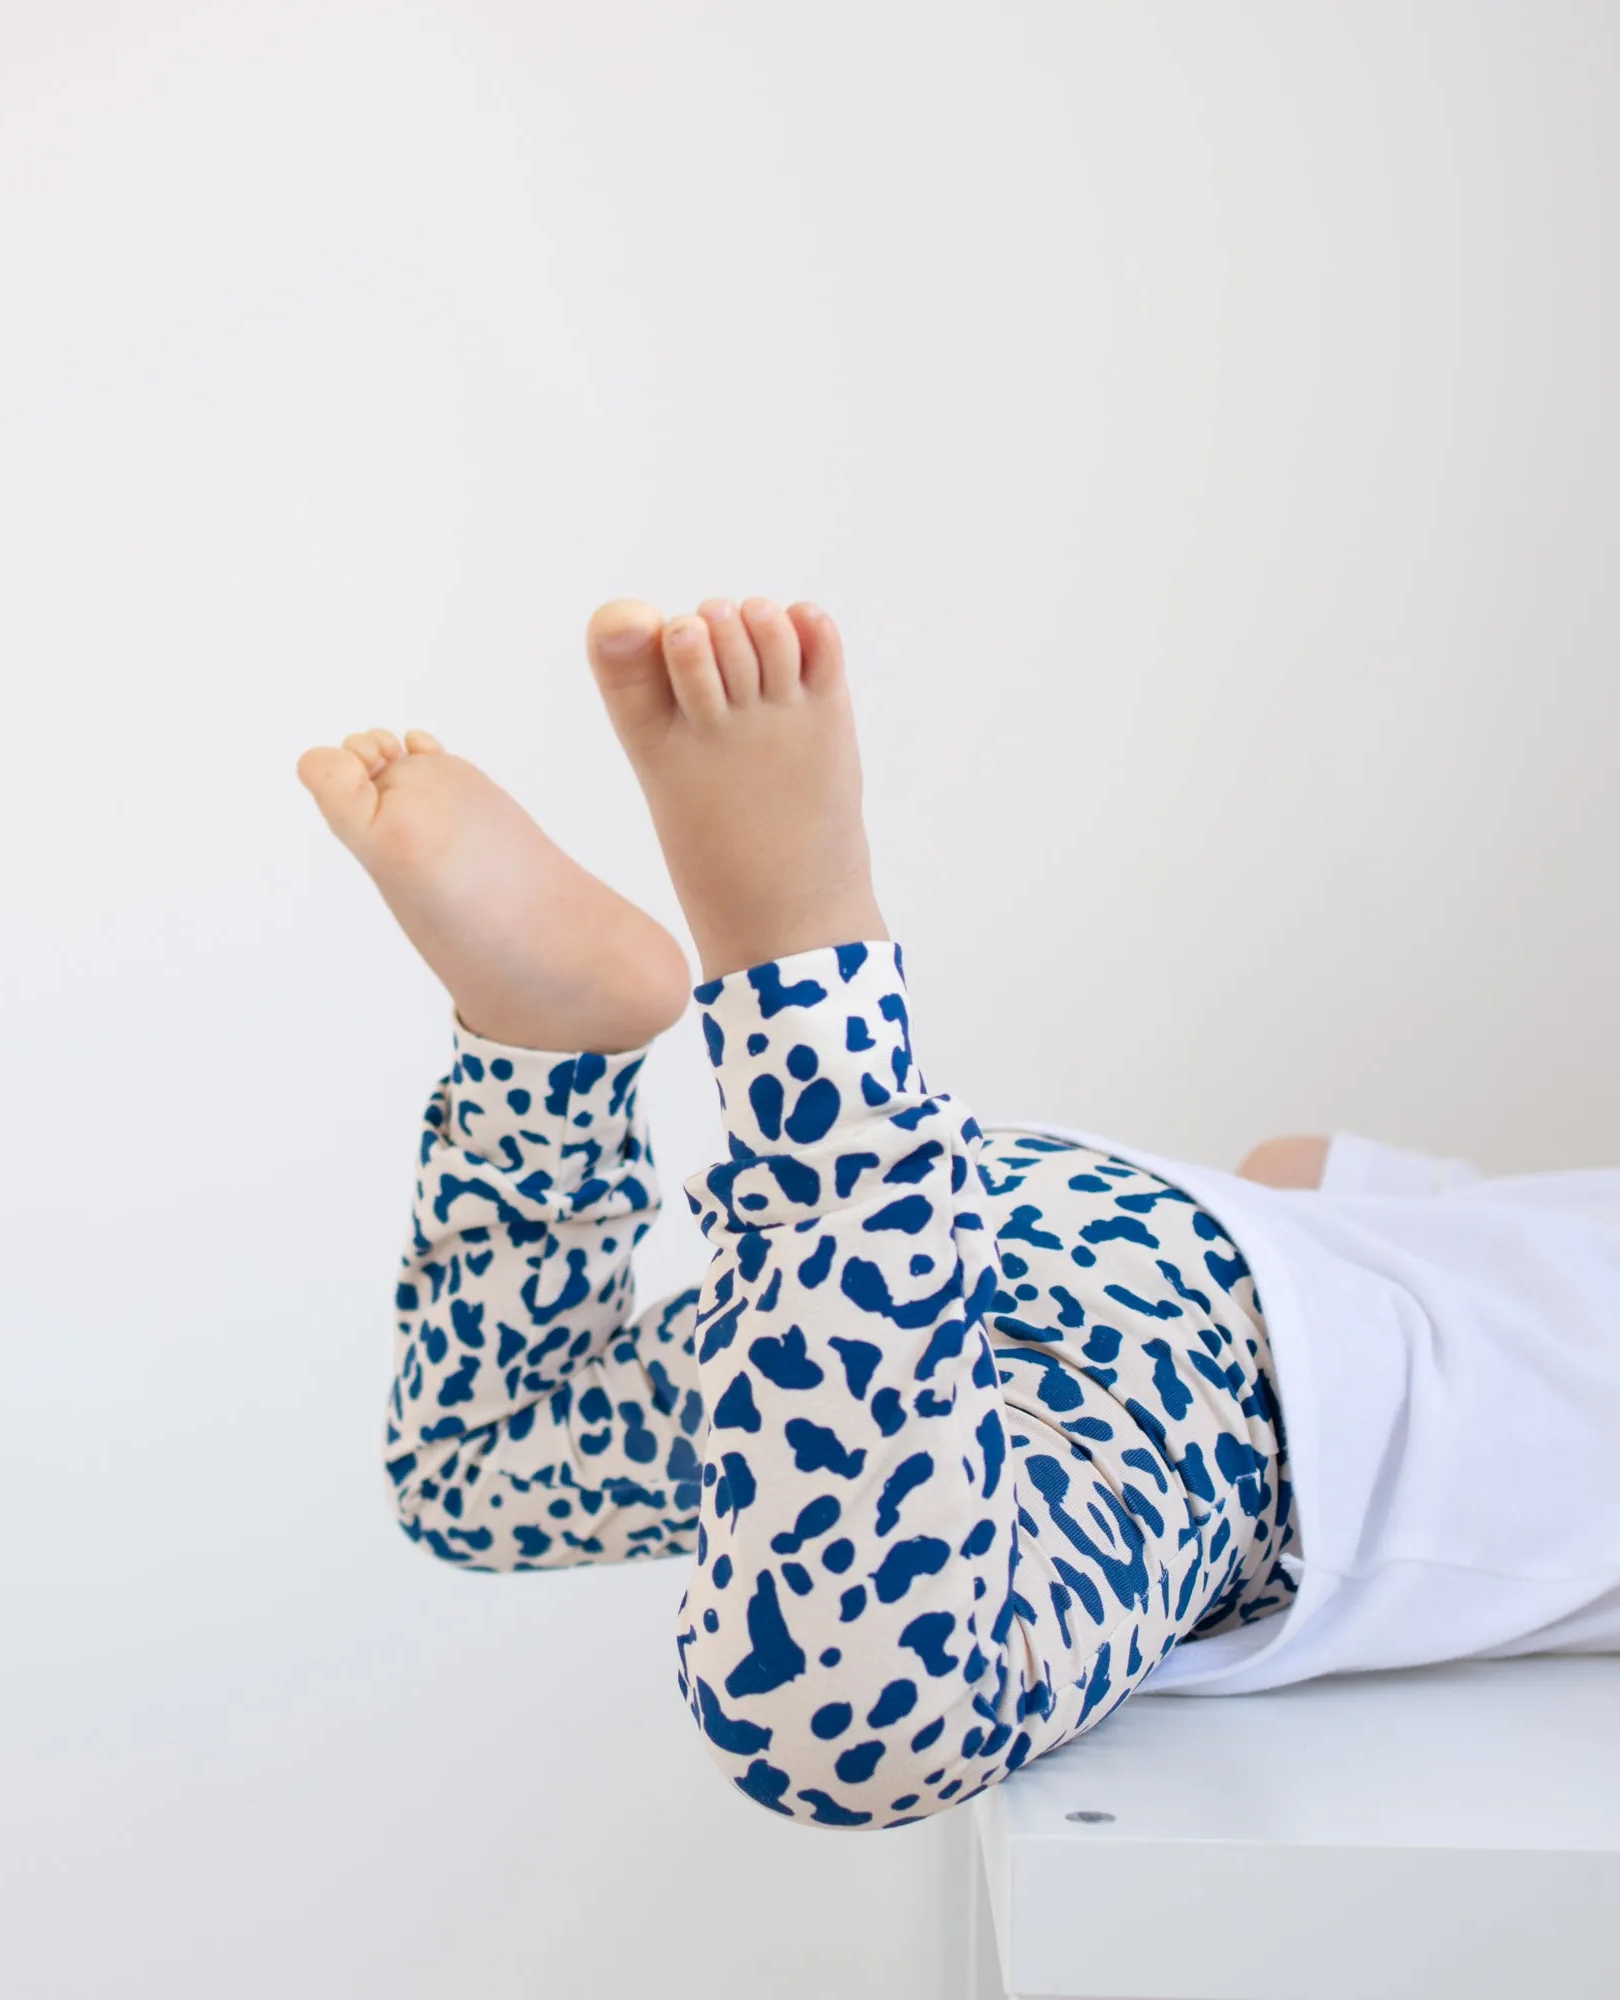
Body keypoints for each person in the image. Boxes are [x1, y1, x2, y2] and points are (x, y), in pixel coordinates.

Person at [297, 597, 1620, 1832]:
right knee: (857, 1722)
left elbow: (1302, 1164)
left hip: (1049, 1225)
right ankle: (810, 979)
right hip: (1247, 1421)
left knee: (485, 1464)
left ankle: (552, 1055)